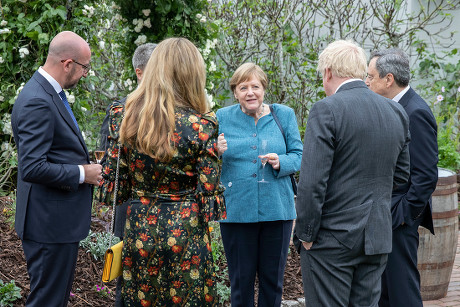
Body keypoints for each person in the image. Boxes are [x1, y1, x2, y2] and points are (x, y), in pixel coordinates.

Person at [101, 37, 226, 306]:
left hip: (140, 231)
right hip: (187, 234)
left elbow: (117, 188)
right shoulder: (202, 125)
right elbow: (209, 202)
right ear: (193, 73)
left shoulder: (123, 116)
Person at [293, 40, 411, 307]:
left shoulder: (326, 109)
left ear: (328, 72)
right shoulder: (396, 111)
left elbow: (312, 182)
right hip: (377, 236)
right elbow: (402, 175)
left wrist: (306, 234)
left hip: (331, 239)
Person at [11, 31, 102, 307]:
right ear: (67, 63)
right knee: (47, 301)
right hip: (48, 225)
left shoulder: (48, 92)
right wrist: (82, 173)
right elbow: (33, 167)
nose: (85, 73)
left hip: (54, 222)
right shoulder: (38, 99)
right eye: (84, 67)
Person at [216, 62, 303, 306]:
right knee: (240, 283)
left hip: (277, 210)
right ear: (235, 92)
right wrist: (215, 150)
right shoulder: (221, 117)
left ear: (264, 89)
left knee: (272, 283)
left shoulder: (283, 114)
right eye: (243, 87)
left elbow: (299, 154)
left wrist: (281, 161)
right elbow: (205, 161)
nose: (250, 92)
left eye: (255, 86)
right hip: (236, 212)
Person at [366, 48, 438, 307]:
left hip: (399, 218)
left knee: (402, 290)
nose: (366, 82)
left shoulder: (415, 112)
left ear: (388, 79)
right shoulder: (393, 107)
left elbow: (426, 175)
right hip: (387, 214)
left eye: (371, 76)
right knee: (386, 291)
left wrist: (403, 215)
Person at [98, 42, 156, 307]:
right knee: (128, 278)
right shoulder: (119, 112)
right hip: (130, 206)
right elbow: (108, 165)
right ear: (139, 72)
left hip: (168, 208)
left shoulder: (180, 112)